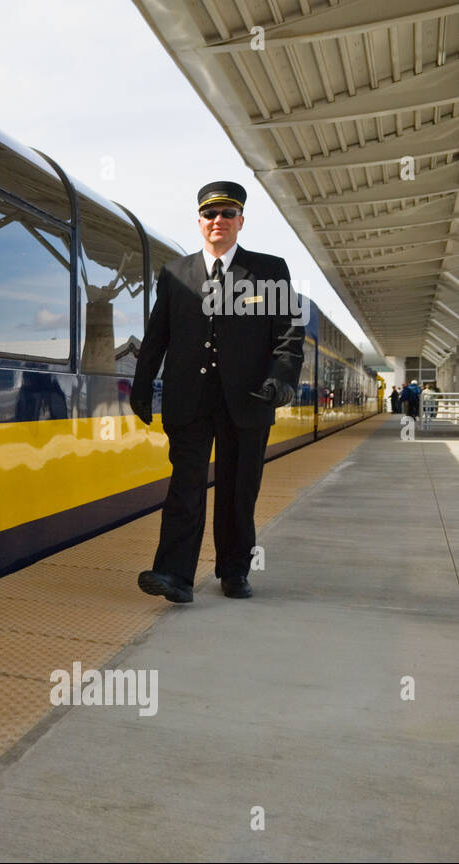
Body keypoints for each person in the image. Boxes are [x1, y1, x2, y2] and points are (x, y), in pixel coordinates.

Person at [130, 181, 304, 603]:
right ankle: (174, 576)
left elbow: (288, 335)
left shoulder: (269, 269)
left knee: (237, 490)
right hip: (188, 399)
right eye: (210, 214)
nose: (218, 221)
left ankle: (233, 571)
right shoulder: (175, 274)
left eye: (228, 214)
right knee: (185, 487)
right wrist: (141, 384)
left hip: (249, 400)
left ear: (241, 221)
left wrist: (282, 378)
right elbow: (157, 335)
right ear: (199, 221)